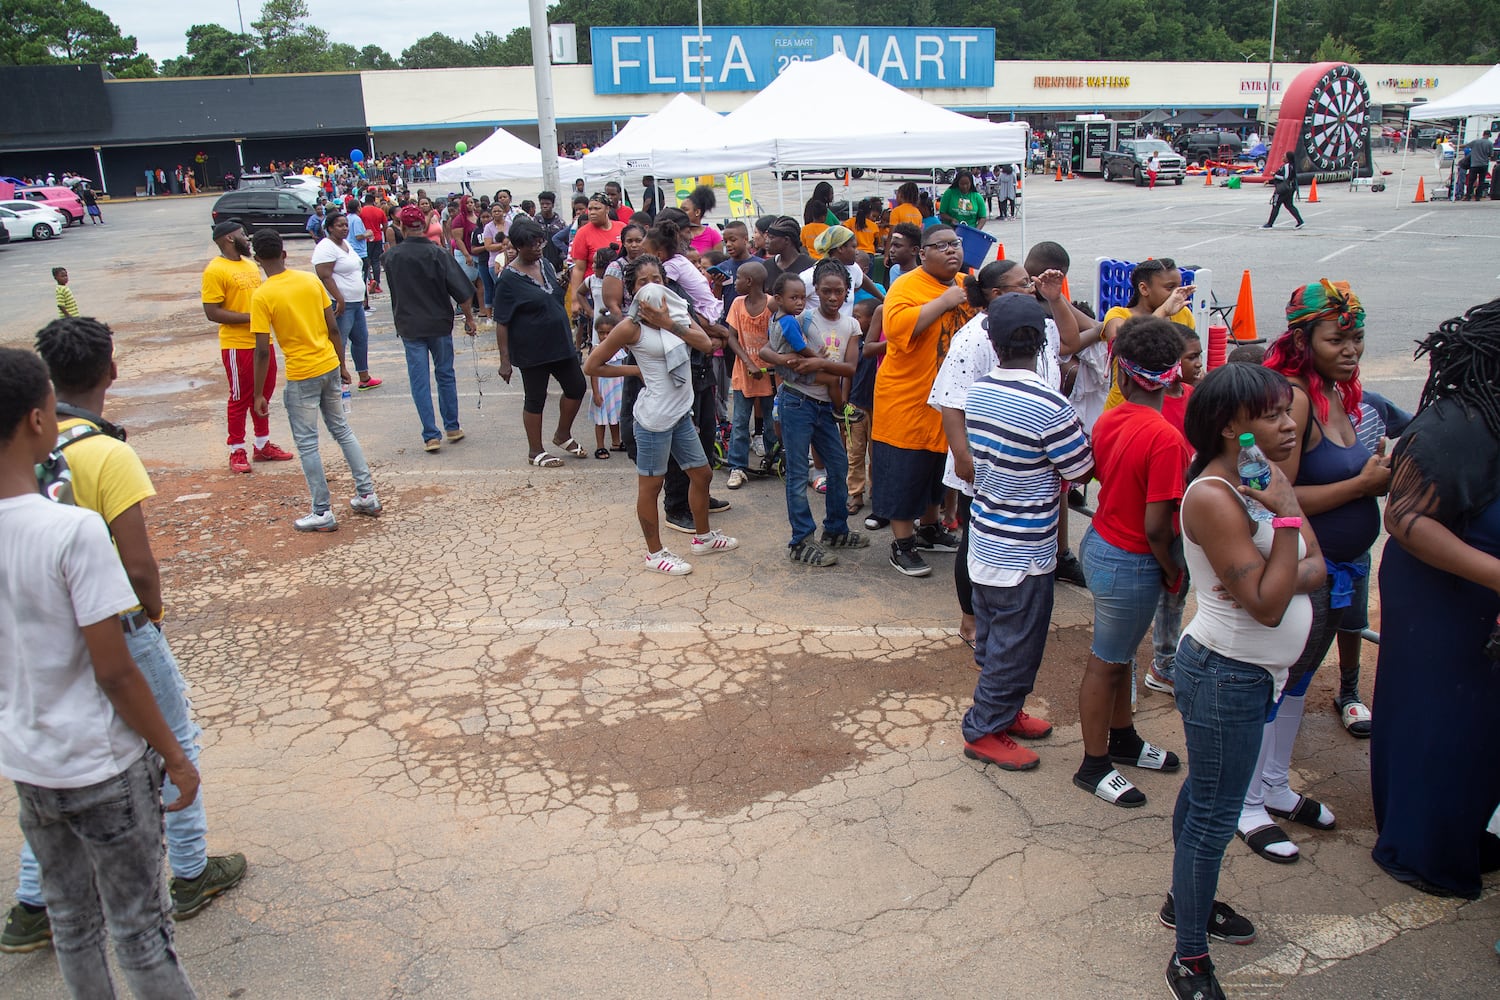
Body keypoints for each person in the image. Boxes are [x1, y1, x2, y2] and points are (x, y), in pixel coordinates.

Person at [3, 320, 248, 958]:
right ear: (112, 370)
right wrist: (151, 618)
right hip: (116, 625)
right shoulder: (106, 452)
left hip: (48, 629)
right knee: (176, 743)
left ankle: (34, 907)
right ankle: (191, 873)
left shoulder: (25, 449)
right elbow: (139, 567)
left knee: (55, 769)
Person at [1164, 362, 1323, 1000]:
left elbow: (1316, 563)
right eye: (1275, 414)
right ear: (1233, 426)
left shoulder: (1257, 474)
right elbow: (1266, 602)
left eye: (1289, 411)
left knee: (1207, 792)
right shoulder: (1212, 495)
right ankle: (1189, 960)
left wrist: (1284, 551)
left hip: (1254, 673)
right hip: (1226, 673)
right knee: (1214, 815)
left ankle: (1185, 903)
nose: (1291, 424)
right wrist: (1284, 525)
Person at [1231, 280, 1388, 863]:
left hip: (1338, 569)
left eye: (1358, 337)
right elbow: (1277, 491)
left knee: (1298, 681)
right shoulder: (1293, 397)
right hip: (1296, 565)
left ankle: (1273, 785)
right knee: (1273, 680)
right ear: (1303, 339)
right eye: (1337, 337)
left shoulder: (1341, 393)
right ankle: (1246, 804)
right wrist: (1364, 485)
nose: (1352, 348)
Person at [1371, 297, 1500, 899]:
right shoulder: (1456, 426)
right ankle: (1422, 847)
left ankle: (1464, 829)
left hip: (1477, 590)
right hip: (1441, 593)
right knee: (1441, 719)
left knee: (1478, 727)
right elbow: (1406, 521)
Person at [955, 292, 1094, 772]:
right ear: (1042, 343)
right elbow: (1079, 467)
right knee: (1017, 646)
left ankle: (1005, 713)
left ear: (991, 342)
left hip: (986, 537)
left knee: (996, 639)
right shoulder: (1049, 405)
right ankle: (984, 729)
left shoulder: (979, 391)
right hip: (1025, 548)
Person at [1076, 317, 1190, 808]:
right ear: (1176, 376)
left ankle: (1122, 739)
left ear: (1121, 374)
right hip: (1132, 560)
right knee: (1107, 662)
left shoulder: (1110, 418)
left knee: (1120, 656)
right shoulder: (1166, 439)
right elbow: (1158, 527)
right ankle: (1093, 764)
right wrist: (1171, 568)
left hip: (1101, 544)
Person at [584, 255, 738, 575]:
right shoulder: (630, 326)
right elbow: (592, 365)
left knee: (702, 474)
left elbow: (705, 343)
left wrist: (668, 322)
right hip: (654, 419)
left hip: (680, 413)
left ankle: (703, 537)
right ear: (633, 291)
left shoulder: (678, 311)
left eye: (657, 278)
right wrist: (635, 369)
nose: (652, 285)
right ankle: (655, 553)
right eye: (643, 281)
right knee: (651, 488)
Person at [248, 230, 382, 532]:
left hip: (300, 373)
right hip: (327, 365)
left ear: (258, 259)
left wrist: (259, 394)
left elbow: (261, 351)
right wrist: (342, 364)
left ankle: (322, 511)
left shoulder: (262, 295)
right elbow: (333, 328)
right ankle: (367, 495)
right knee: (342, 430)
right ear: (284, 254)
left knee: (308, 444)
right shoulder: (309, 281)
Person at [872, 223, 970, 577]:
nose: (951, 251)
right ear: (922, 253)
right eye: (941, 246)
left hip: (947, 402)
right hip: (907, 399)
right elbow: (897, 328)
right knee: (904, 473)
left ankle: (930, 529)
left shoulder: (963, 284)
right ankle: (902, 544)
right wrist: (943, 302)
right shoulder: (907, 285)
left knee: (936, 472)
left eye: (955, 244)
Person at [761, 259, 868, 566]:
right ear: (815, 292)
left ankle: (835, 530)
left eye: (839, 292)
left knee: (838, 468)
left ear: (848, 292)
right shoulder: (802, 317)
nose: (833, 297)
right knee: (797, 474)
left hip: (825, 407)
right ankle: (801, 540)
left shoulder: (851, 325)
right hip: (798, 402)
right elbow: (767, 350)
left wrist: (817, 363)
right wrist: (784, 359)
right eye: (826, 291)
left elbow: (849, 368)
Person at [201, 221, 296, 475]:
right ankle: (237, 449)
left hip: (262, 341)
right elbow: (212, 312)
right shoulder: (215, 270)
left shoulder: (251, 265)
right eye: (242, 234)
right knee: (239, 397)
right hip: (237, 344)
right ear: (230, 239)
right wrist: (252, 318)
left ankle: (262, 444)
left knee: (263, 393)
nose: (247, 238)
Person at [382, 203, 477, 452]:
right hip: (438, 322)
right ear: (424, 225)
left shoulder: (390, 257)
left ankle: (430, 434)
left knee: (419, 380)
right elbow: (462, 291)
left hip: (409, 324)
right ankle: (452, 426)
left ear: (401, 226)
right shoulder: (438, 253)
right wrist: (469, 318)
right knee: (445, 374)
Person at [495, 217, 589, 467]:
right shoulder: (508, 279)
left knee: (577, 387)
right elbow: (502, 321)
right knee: (535, 398)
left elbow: (552, 297)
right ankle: (535, 450)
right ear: (517, 246)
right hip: (531, 349)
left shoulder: (545, 264)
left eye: (540, 243)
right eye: (531, 245)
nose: (537, 248)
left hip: (560, 343)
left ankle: (562, 434)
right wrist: (505, 361)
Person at [311, 213, 382, 392]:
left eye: (345, 225)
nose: (344, 228)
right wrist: (339, 299)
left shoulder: (345, 244)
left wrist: (363, 294)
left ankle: (364, 376)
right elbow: (324, 275)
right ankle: (339, 378)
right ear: (329, 228)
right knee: (339, 341)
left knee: (360, 338)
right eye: (339, 225)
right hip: (341, 304)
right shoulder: (325, 247)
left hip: (356, 302)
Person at [723, 260, 774, 490]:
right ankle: (738, 467)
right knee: (741, 422)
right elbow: (731, 337)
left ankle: (773, 460)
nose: (735, 282)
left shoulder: (772, 304)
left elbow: (779, 336)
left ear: (750, 281)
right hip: (744, 373)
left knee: (773, 421)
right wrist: (748, 362)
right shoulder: (737, 303)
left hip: (770, 374)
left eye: (739, 278)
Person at [568, 192, 626, 313]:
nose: (592, 212)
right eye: (590, 209)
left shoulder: (621, 228)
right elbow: (578, 269)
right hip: (593, 293)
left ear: (607, 209)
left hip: (622, 290)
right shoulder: (583, 233)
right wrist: (575, 301)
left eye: (597, 208)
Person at [761, 215, 814, 286]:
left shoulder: (810, 267)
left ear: (786, 240)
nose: (766, 241)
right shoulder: (767, 266)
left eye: (771, 237)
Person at [1263, 152, 1305, 229]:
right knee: (1289, 205)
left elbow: (1286, 178)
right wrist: (1270, 181)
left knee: (1276, 205)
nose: (1282, 157)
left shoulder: (1287, 166)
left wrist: (1274, 175)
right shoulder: (1290, 166)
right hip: (1289, 189)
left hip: (1283, 189)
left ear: (1288, 158)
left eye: (1284, 156)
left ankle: (1269, 224)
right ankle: (1300, 221)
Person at [357, 195, 389, 294]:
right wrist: (380, 231)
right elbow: (385, 225)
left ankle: (369, 282)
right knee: (376, 262)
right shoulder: (379, 211)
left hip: (365, 240)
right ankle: (377, 284)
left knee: (367, 262)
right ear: (374, 201)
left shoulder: (361, 212)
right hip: (377, 238)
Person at [681, 185, 722, 255]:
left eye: (685, 210)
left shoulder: (713, 235)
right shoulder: (678, 234)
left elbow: (719, 262)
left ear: (697, 212)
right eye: (680, 209)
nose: (681, 212)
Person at [1464, 130, 1492, 201]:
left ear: (1483, 134)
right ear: (1489, 135)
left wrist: (1455, 146)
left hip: (1474, 164)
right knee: (1481, 181)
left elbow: (1466, 146)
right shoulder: (1490, 143)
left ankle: (1468, 196)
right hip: (1484, 164)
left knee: (1471, 181)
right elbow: (1491, 154)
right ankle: (1478, 196)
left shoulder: (1475, 142)